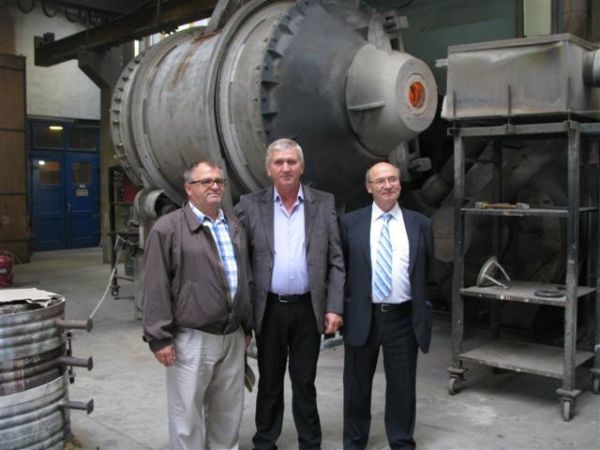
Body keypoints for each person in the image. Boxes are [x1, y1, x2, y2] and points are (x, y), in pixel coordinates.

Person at [234, 138, 345, 450]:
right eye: (279, 162)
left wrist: (334, 307)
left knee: (304, 381)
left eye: (291, 162)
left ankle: (310, 443)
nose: (286, 168)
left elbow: (336, 260)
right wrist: (242, 315)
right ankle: (265, 442)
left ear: (302, 167)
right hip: (269, 309)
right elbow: (237, 259)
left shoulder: (323, 203)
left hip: (308, 309)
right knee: (269, 382)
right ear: (268, 169)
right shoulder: (249, 205)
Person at [142, 160, 253, 450]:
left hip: (232, 335)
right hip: (192, 338)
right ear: (189, 189)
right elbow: (155, 285)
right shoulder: (168, 229)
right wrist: (159, 337)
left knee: (228, 412)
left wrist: (246, 324)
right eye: (206, 181)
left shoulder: (234, 225)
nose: (215, 186)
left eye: (219, 181)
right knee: (187, 416)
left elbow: (244, 278)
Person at [340, 162, 434, 450]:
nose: (388, 185)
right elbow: (342, 270)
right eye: (380, 181)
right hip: (363, 315)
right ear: (369, 187)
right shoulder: (350, 223)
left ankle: (401, 441)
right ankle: (354, 442)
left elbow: (426, 271)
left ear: (400, 184)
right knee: (356, 385)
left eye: (393, 179)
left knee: (402, 386)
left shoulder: (420, 224)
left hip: (403, 317)